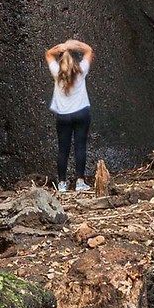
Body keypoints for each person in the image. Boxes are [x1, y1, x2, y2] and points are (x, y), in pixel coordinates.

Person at [45, 37, 94, 194]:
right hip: (81, 113)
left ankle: (62, 184)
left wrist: (61, 48)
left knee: (63, 149)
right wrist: (74, 46)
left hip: (63, 116)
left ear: (60, 62)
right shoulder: (81, 71)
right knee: (80, 146)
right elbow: (89, 50)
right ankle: (80, 181)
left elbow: (48, 54)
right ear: (74, 60)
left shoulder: (57, 73)